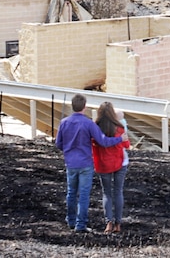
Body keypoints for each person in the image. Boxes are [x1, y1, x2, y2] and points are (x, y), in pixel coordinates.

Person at [55, 94, 126, 233]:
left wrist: (68, 150)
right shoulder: (88, 123)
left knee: (71, 192)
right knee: (84, 194)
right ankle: (80, 224)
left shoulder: (64, 122)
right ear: (85, 107)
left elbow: (58, 143)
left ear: (72, 106)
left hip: (70, 162)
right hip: (85, 162)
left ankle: (71, 220)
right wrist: (119, 139)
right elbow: (103, 141)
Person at [92, 102, 130, 234]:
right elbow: (127, 145)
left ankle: (108, 222)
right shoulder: (119, 127)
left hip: (103, 163)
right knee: (118, 192)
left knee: (106, 193)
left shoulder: (95, 128)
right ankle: (118, 223)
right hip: (120, 162)